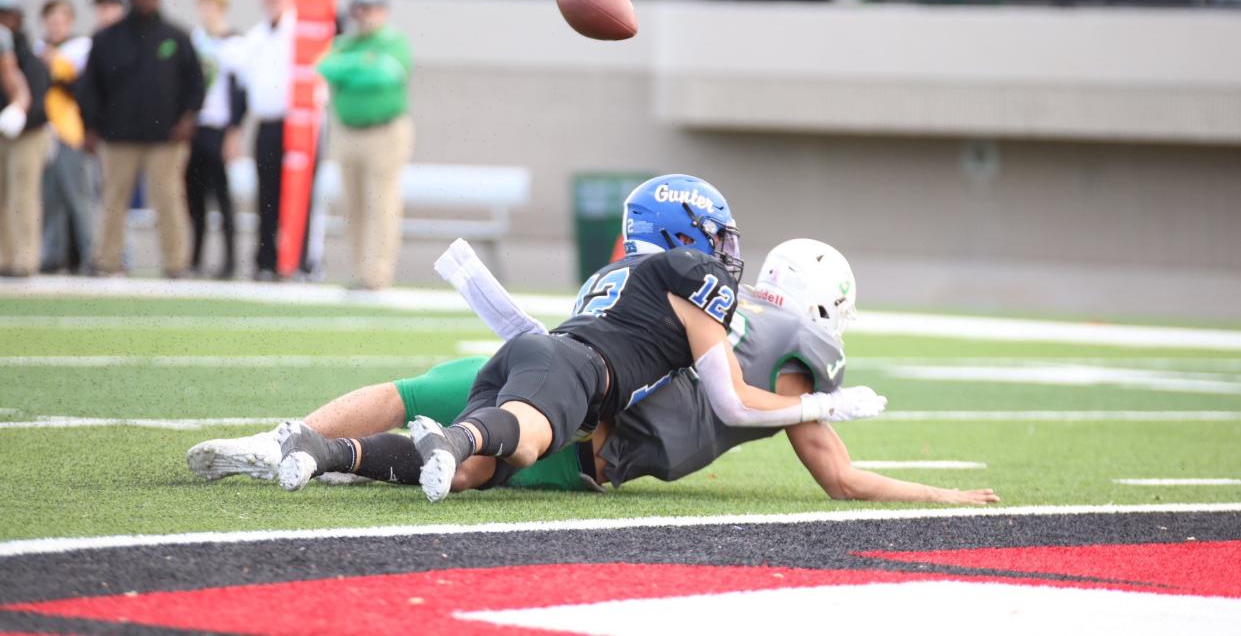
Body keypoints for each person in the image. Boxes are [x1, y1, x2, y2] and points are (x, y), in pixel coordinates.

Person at [190, 239, 993, 505]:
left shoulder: (657, 277)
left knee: (411, 396)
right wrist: (949, 495)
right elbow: (836, 475)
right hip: (586, 430)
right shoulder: (788, 352)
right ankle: (359, 458)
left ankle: (299, 444)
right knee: (477, 467)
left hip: (543, 352)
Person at [78, 0, 205, 278]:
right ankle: (107, 260)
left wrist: (188, 118)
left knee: (169, 199)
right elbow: (89, 87)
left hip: (166, 137)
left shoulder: (176, 36)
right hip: (118, 135)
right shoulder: (107, 37)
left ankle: (176, 263)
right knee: (113, 199)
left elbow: (196, 83)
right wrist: (91, 126)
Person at [316, 0, 412, 290]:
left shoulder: (393, 41)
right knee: (353, 204)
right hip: (348, 131)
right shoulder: (346, 43)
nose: (364, 15)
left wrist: (351, 71)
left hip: (383, 131)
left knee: (381, 203)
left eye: (370, 8)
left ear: (383, 11)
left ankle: (377, 273)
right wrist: (359, 65)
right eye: (360, 8)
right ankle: (359, 271)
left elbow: (384, 75)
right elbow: (326, 67)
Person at [187, 0, 246, 279]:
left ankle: (230, 261)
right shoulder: (197, 39)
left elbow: (239, 92)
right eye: (203, 5)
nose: (206, 11)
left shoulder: (233, 42)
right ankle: (194, 257)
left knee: (222, 198)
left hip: (218, 127)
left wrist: (233, 132)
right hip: (195, 126)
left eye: (211, 5)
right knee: (194, 197)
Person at [34, 0, 96, 274]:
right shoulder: (37, 49)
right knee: (50, 199)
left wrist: (55, 64)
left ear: (70, 22)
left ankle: (89, 255)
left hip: (72, 131)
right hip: (45, 132)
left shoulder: (81, 49)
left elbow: (81, 88)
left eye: (61, 20)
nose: (56, 26)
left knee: (79, 197)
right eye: (51, 20)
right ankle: (52, 254)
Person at [239, 0, 294, 281]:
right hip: (266, 123)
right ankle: (266, 259)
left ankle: (296, 258)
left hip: (296, 125)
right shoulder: (256, 36)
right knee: (266, 195)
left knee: (297, 194)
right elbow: (247, 87)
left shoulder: (300, 30)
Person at [0, 0, 51, 278]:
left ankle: (25, 259)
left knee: (23, 197)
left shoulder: (30, 58)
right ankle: (3, 258)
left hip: (27, 135)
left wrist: (19, 117)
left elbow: (35, 99)